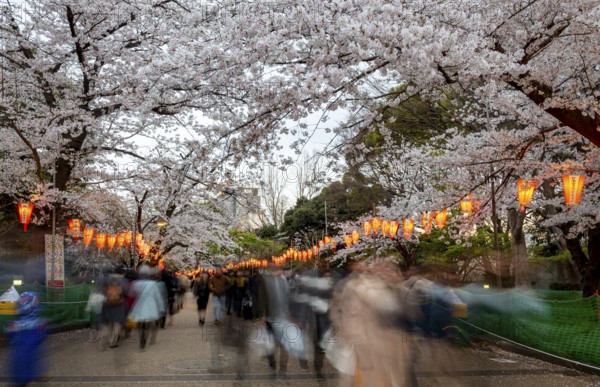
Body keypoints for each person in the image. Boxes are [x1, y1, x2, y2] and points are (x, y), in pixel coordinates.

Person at [5, 292, 48, 386]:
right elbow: (42, 337)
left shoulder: (13, 325)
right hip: (31, 362)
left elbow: (10, 339)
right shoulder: (39, 325)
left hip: (16, 362)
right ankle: (37, 377)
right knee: (30, 370)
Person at [258, 263, 290, 379]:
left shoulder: (284, 281)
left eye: (281, 269)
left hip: (283, 317)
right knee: (270, 344)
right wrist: (262, 316)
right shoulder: (266, 281)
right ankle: (272, 366)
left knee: (285, 345)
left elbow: (288, 296)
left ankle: (283, 370)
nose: (281, 272)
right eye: (279, 270)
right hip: (270, 318)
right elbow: (261, 298)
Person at [128, 265, 167, 349]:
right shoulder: (153, 284)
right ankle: (145, 338)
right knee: (148, 324)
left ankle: (142, 339)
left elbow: (131, 295)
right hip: (150, 307)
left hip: (139, 306)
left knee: (140, 324)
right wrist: (161, 308)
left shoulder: (135, 284)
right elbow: (158, 297)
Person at [100, 271, 128, 349]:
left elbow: (102, 291)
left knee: (108, 323)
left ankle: (104, 340)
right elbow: (126, 293)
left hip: (108, 304)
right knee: (117, 324)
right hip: (119, 306)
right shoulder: (122, 281)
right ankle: (113, 342)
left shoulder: (107, 279)